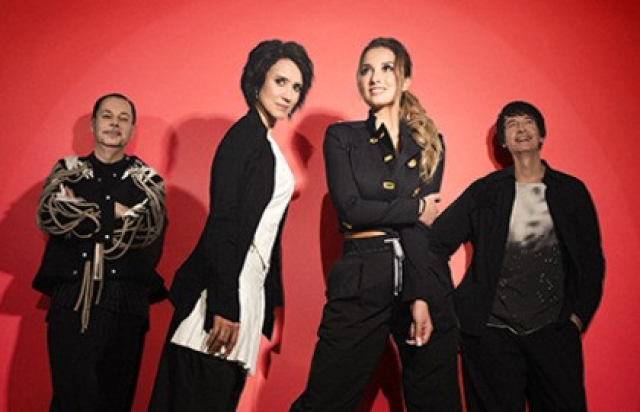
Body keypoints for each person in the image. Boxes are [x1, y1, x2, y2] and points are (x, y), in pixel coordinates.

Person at [291, 37, 461, 412]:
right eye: (366, 70)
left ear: (406, 79)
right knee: (325, 398)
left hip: (422, 272)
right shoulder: (343, 137)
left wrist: (419, 296)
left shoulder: (430, 142)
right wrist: (414, 207)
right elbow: (351, 209)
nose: (375, 77)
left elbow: (420, 227)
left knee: (436, 398)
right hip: (363, 270)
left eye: (386, 68)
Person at [148, 39, 314, 411]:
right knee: (197, 396)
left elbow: (266, 234)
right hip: (222, 294)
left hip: (245, 291)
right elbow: (224, 221)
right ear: (258, 79)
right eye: (280, 81)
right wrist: (224, 303)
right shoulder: (244, 138)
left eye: (296, 87)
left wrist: (267, 304)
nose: (288, 94)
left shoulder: (264, 142)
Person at [429, 101, 605, 411]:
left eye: (528, 122)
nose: (521, 129)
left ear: (541, 135)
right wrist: (452, 310)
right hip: (491, 335)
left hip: (553, 331)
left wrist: (578, 317)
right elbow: (436, 242)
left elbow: (592, 261)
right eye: (511, 125)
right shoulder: (485, 191)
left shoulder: (571, 191)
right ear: (503, 141)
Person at [33, 92, 167, 411]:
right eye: (107, 116)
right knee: (70, 400)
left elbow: (145, 232)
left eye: (123, 118)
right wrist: (114, 212)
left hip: (125, 303)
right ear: (93, 125)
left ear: (132, 130)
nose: (114, 124)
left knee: (113, 402)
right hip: (72, 299)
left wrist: (83, 211)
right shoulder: (67, 170)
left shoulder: (149, 182)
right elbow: (52, 216)